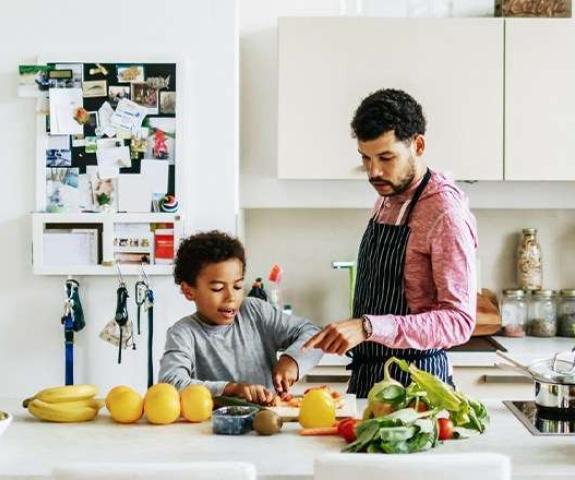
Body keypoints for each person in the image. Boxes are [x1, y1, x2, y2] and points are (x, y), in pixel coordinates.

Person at [303, 89, 478, 398]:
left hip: (416, 386)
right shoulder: (388, 196)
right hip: (369, 377)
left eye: (386, 157)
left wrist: (369, 328)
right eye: (365, 158)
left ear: (418, 145)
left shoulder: (445, 214)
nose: (374, 172)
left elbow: (459, 321)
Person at [159, 230, 322, 404]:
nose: (231, 297)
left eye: (237, 286)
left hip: (269, 423)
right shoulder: (183, 333)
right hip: (211, 427)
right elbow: (171, 383)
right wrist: (231, 389)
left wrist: (292, 360)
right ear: (188, 291)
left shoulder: (255, 311)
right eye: (218, 288)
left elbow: (314, 334)